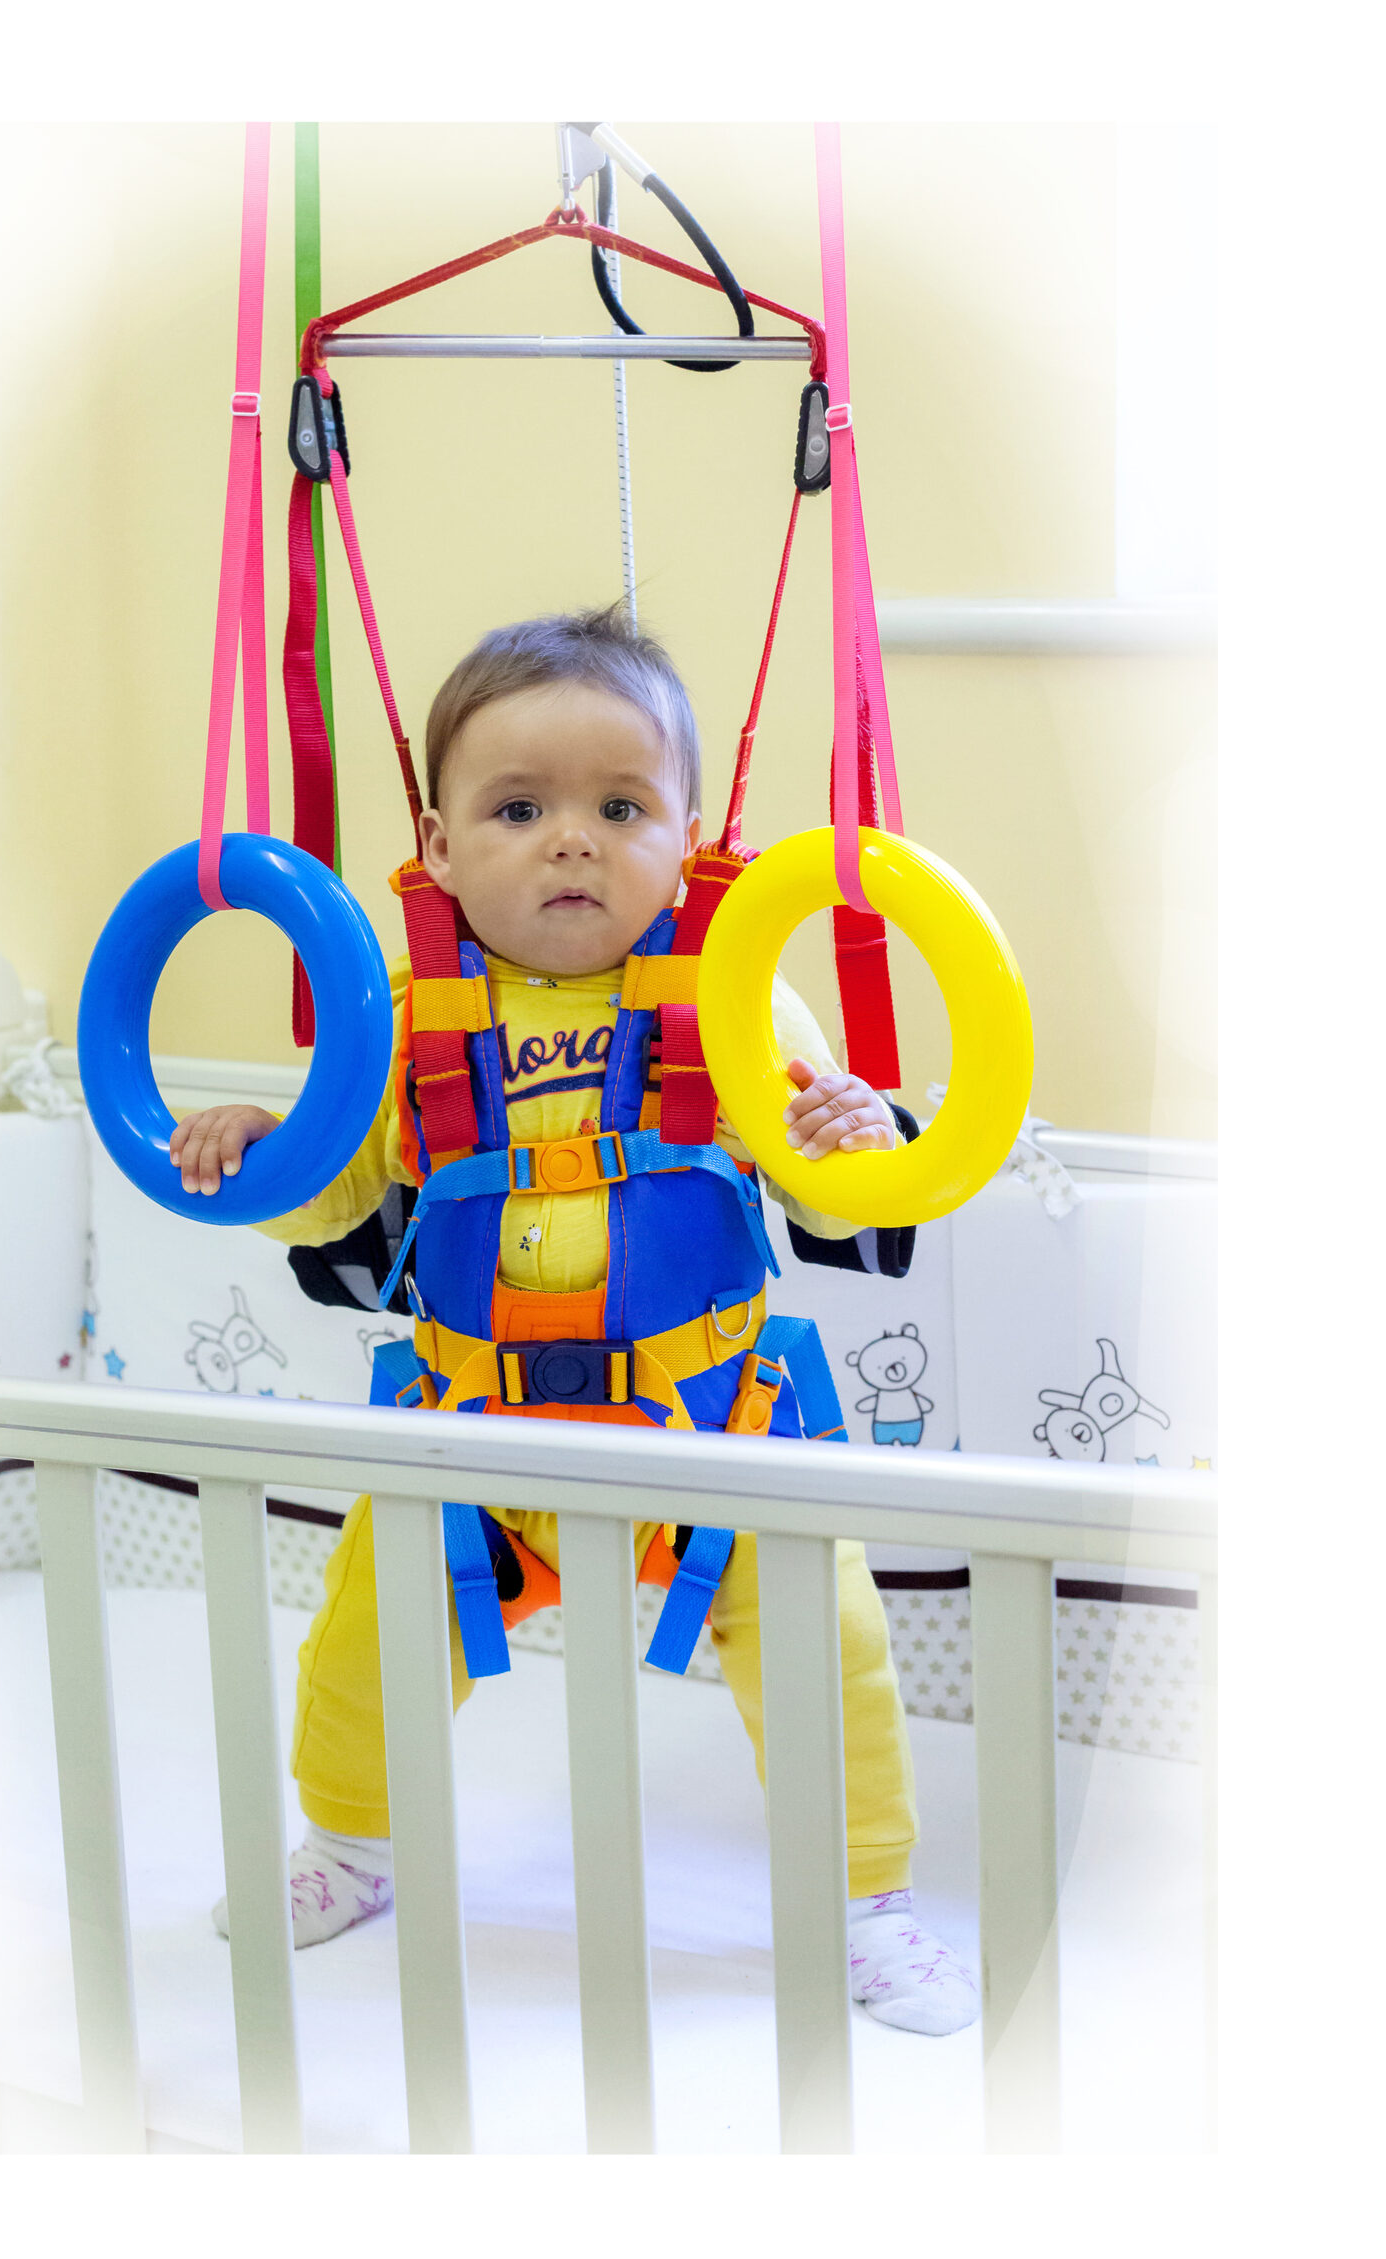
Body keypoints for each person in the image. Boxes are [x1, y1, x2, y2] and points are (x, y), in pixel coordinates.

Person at [172, 607, 977, 2036]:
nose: (571, 844)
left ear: (687, 834)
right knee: (359, 1646)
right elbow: (332, 1196)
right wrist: (255, 1154)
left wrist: (855, 1133)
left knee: (827, 1645)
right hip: (475, 1436)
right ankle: (352, 1847)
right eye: (519, 809)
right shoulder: (405, 1010)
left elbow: (831, 1188)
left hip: (714, 1426)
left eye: (620, 808)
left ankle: (865, 1901)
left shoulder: (734, 994)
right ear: (437, 843)